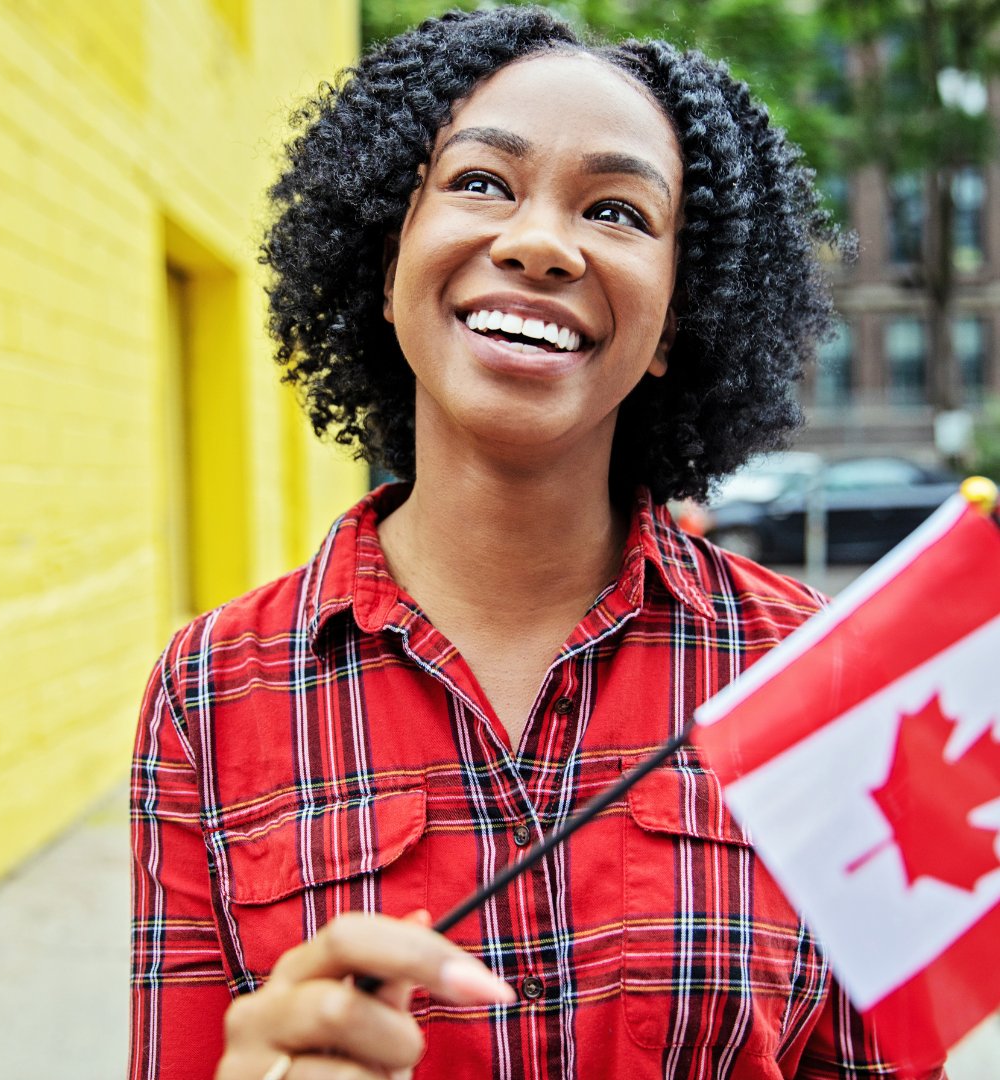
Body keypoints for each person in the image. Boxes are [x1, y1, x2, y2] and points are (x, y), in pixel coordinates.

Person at [129, 7, 945, 1079]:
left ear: (674, 321)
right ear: (387, 262)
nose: (541, 244)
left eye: (616, 211)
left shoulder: (816, 675)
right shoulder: (208, 691)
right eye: (480, 182)